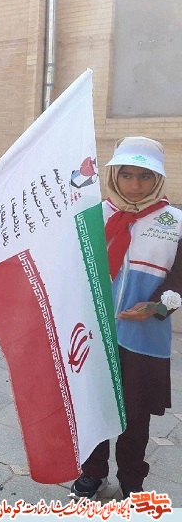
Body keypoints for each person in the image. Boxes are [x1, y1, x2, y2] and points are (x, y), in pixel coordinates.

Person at [72, 137, 180, 500]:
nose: (135, 185)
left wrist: (157, 307)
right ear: (114, 176)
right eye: (127, 175)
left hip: (143, 338)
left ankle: (132, 478)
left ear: (158, 179)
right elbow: (71, 267)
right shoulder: (93, 216)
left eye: (145, 176)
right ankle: (92, 472)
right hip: (94, 334)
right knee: (95, 406)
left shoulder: (174, 222)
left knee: (136, 414)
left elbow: (180, 278)